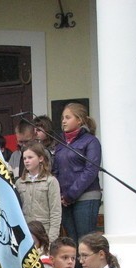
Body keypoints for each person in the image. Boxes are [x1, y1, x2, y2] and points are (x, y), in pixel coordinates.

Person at [52, 103, 102, 244]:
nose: (63, 121)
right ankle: (75, 267)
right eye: (62, 118)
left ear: (79, 120)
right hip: (65, 200)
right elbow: (56, 170)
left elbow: (91, 170)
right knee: (72, 242)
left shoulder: (91, 141)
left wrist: (70, 195)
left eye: (68, 117)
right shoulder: (60, 143)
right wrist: (60, 194)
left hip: (86, 197)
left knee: (85, 242)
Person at [15, 141, 62, 243]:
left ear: (40, 158)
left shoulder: (51, 181)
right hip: (25, 232)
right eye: (24, 158)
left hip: (44, 232)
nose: (27, 161)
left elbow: (55, 213)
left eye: (30, 157)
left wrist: (51, 240)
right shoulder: (19, 183)